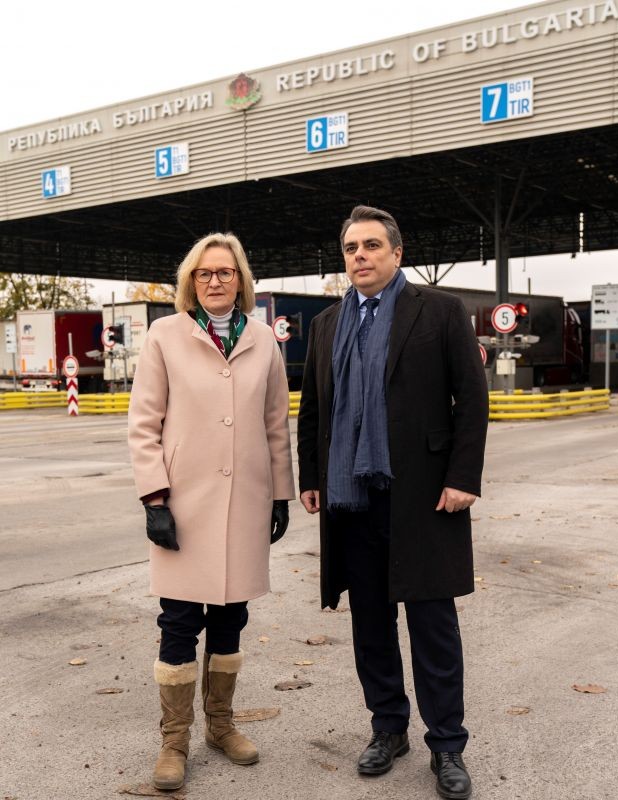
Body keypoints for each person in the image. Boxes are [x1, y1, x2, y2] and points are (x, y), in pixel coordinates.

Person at [297, 206, 488, 799]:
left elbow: (471, 397)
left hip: (424, 495)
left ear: (397, 253)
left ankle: (447, 743)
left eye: (372, 245)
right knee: (370, 624)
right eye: (351, 247)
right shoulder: (327, 323)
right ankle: (388, 728)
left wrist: (463, 476)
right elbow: (314, 408)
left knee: (433, 626)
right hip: (351, 501)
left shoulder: (439, 310)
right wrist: (311, 475)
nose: (360, 256)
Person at [128, 232, 295, 791]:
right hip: (182, 505)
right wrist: (154, 499)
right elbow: (144, 423)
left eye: (225, 272)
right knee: (178, 622)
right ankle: (174, 741)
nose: (215, 281)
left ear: (240, 280)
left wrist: (279, 494)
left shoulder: (263, 340)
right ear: (191, 282)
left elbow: (275, 423)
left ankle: (221, 726)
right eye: (204, 273)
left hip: (245, 501)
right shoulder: (165, 336)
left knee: (230, 618)